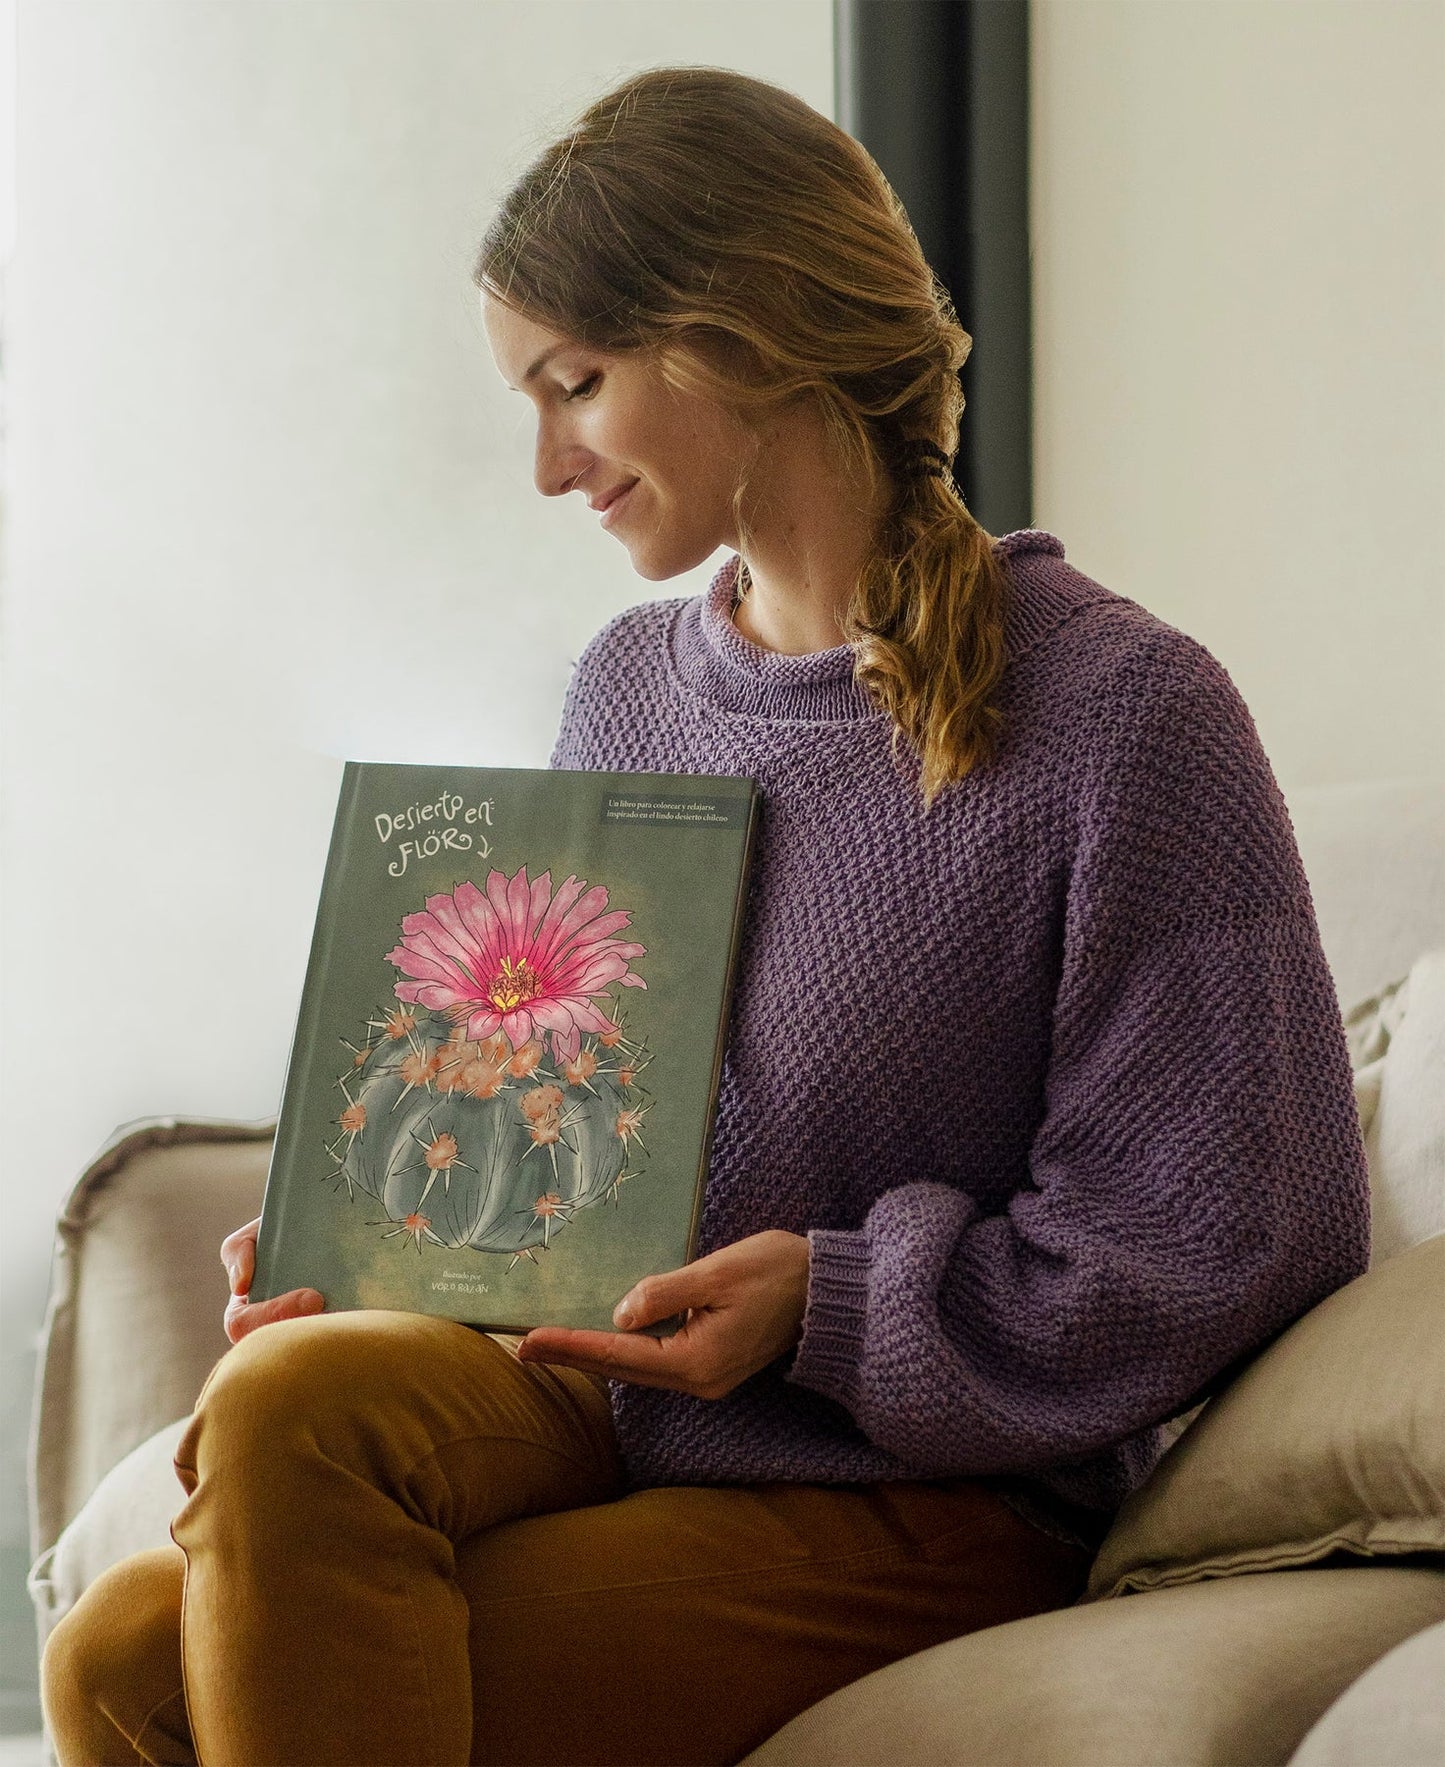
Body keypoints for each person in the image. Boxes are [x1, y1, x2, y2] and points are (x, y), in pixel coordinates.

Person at [42, 64, 1370, 1767]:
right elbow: (572, 1118)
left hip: (928, 1489)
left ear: (741, 336)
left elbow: (1226, 1235)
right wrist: (376, 1222)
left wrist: (823, 1304)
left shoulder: (1125, 717)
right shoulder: (627, 689)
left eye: (574, 386)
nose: (545, 468)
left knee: (153, 1688)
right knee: (215, 1503)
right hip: (610, 1399)